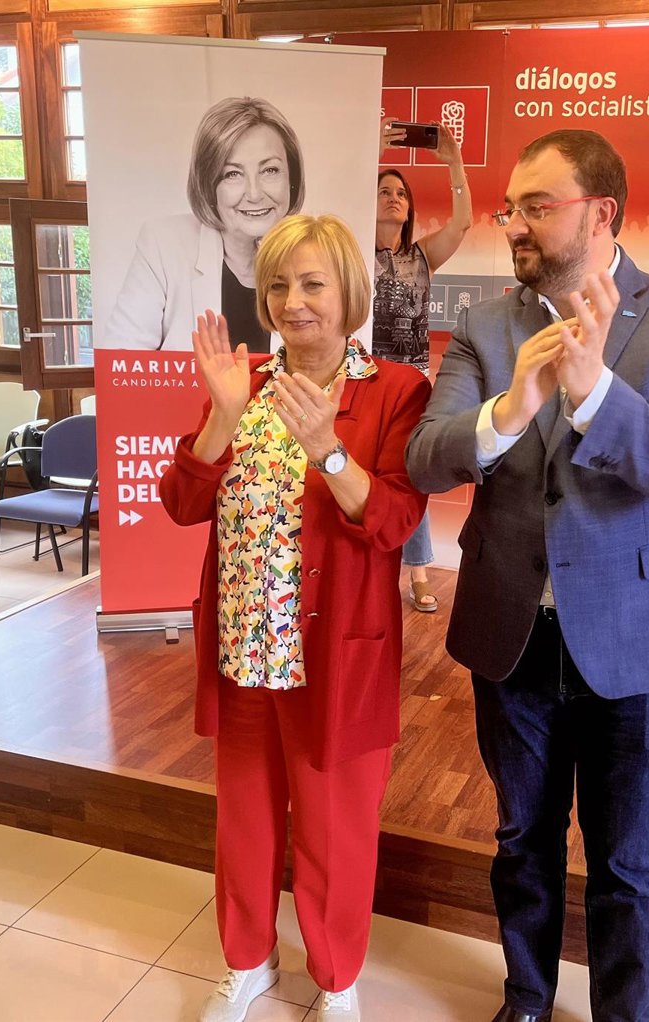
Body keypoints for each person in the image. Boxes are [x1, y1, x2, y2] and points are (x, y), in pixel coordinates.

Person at [406, 130, 649, 1022]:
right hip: (512, 632)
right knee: (523, 840)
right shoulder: (485, 327)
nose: (513, 223)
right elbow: (426, 459)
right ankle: (527, 1001)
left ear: (602, 214)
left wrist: (594, 393)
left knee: (627, 859)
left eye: (536, 206)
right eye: (510, 207)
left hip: (638, 638)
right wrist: (509, 410)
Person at [160, 213, 429, 1022]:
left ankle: (337, 975)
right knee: (244, 818)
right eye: (278, 284)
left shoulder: (395, 390)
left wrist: (328, 451)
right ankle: (247, 961)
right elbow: (182, 504)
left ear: (349, 292)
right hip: (244, 640)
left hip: (337, 651)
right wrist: (221, 416)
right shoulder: (241, 380)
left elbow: (395, 521)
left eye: (313, 283)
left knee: (334, 825)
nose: (293, 301)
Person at [107, 96, 305, 351]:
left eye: (270, 170)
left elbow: (336, 357)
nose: (254, 194)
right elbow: (122, 361)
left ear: (292, 178)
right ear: (209, 185)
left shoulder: (318, 254)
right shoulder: (163, 245)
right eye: (232, 174)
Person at [374, 118, 472, 611]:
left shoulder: (422, 256)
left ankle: (418, 570)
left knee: (411, 474)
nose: (394, 198)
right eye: (383, 191)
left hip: (410, 382)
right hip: (364, 378)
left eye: (401, 194)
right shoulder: (350, 251)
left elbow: (462, 224)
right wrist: (367, 155)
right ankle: (371, 569)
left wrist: (454, 163)